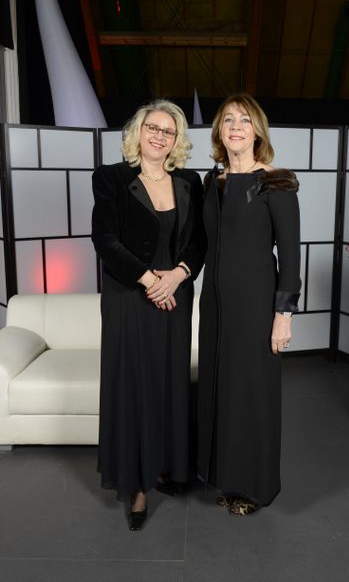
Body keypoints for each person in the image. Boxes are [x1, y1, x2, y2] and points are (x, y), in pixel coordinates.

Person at [91, 100, 205, 531]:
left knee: (169, 382)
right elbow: (105, 239)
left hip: (175, 294)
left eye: (168, 131)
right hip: (130, 296)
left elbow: (199, 241)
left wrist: (177, 275)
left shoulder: (190, 181)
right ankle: (137, 485)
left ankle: (165, 467)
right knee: (134, 386)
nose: (159, 136)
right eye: (153, 128)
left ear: (177, 140)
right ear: (138, 132)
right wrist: (147, 279)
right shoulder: (111, 178)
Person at [197, 93, 301, 516]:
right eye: (228, 120)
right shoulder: (212, 183)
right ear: (219, 131)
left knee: (252, 394)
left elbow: (290, 257)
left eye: (244, 119)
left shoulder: (277, 182)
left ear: (257, 130)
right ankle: (227, 479)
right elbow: (201, 243)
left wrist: (283, 316)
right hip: (214, 306)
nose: (236, 126)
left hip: (257, 306)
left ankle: (255, 487)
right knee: (221, 391)